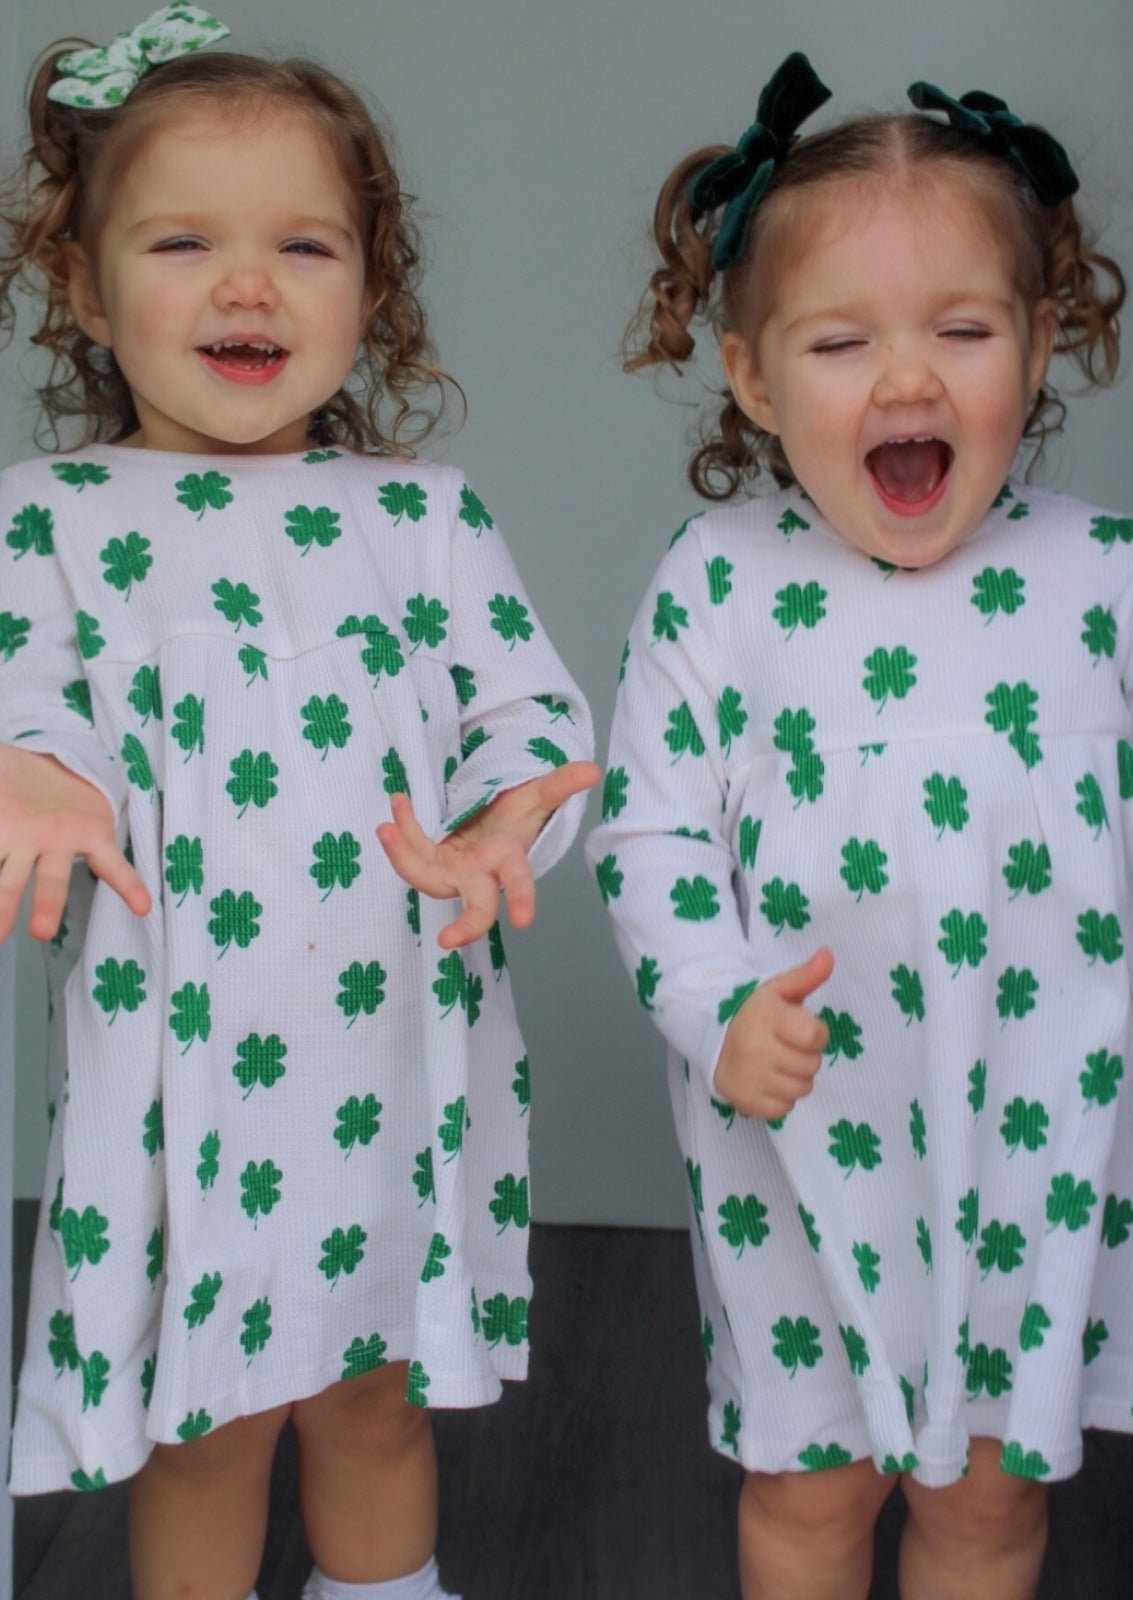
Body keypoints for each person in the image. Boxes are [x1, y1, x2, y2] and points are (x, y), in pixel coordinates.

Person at [0, 8, 598, 1600]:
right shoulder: (48, 520)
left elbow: (531, 713)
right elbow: (21, 694)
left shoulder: (421, 515)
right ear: (82, 283)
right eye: (184, 240)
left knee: (376, 1388)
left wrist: (499, 827)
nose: (248, 285)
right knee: (204, 1427)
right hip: (179, 1067)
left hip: (396, 1053)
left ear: (371, 290)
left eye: (306, 246)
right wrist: (36, 774)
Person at [587, 50, 1133, 1600]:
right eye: (843, 340)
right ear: (752, 376)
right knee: (812, 1496)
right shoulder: (719, 586)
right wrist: (712, 1002)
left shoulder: (1108, 572)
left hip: (1042, 1132)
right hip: (806, 1135)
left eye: (965, 330)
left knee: (990, 1504)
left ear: (1043, 342)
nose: (908, 381)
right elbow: (647, 840)